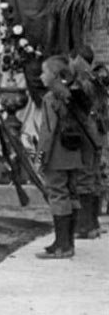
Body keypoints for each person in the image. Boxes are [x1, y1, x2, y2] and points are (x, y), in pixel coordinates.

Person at [35, 56, 98, 259]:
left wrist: (40, 157)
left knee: (57, 194)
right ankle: (67, 242)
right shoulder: (75, 95)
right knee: (71, 194)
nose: (40, 76)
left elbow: (48, 132)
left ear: (54, 76)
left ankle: (62, 245)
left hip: (56, 155)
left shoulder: (50, 98)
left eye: (44, 72)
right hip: (74, 154)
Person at [68, 46, 105, 239]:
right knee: (94, 176)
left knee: (83, 177)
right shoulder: (96, 79)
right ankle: (93, 224)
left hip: (85, 133)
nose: (70, 64)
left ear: (79, 59)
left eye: (72, 60)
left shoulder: (80, 83)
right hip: (98, 133)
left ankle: (83, 226)